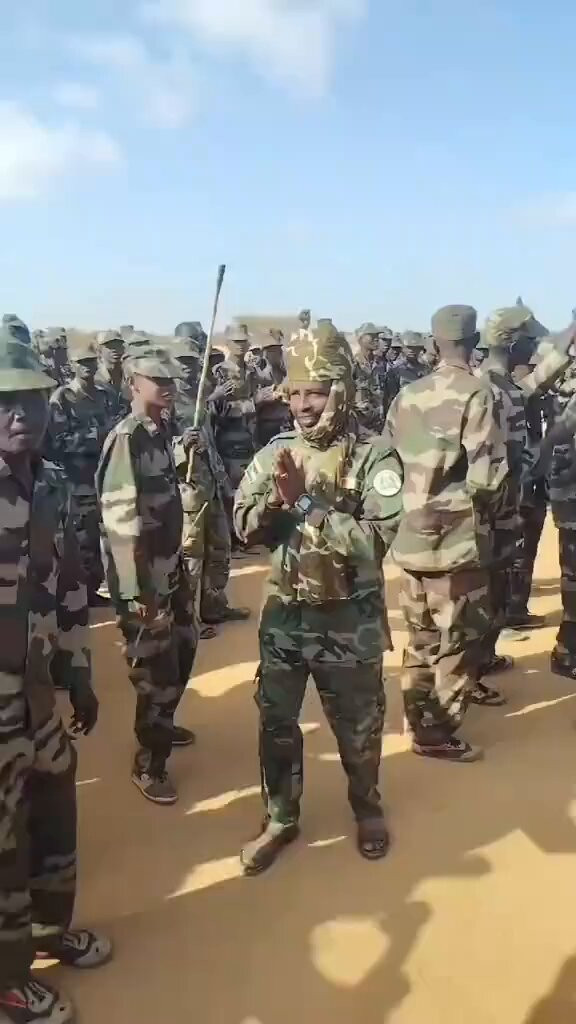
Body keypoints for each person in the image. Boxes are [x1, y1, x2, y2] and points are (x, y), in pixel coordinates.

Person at [234, 322, 403, 874]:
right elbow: (243, 527)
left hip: (349, 619)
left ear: (342, 390)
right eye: (295, 393)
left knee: (359, 726)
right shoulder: (275, 453)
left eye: (316, 392)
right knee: (276, 723)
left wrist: (306, 504)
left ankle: (367, 807)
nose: (303, 406)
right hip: (286, 617)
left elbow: (373, 542)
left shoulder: (375, 455)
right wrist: (274, 504)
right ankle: (280, 818)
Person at [0, 331, 111, 1024]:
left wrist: (79, 672)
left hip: (39, 693)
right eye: (4, 401)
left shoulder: (51, 484)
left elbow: (70, 586)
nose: (21, 414)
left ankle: (48, 931)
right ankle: (9, 982)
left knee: (53, 816)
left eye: (32, 400)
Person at [383, 305, 508, 762]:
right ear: (474, 344)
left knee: (420, 638)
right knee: (458, 640)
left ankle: (417, 717)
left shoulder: (407, 395)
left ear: (434, 343)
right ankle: (435, 732)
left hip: (409, 537)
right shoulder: (478, 393)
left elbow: (386, 464)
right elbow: (487, 478)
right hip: (454, 542)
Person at [96, 342, 198, 805]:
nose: (168, 386)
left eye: (170, 379)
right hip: (143, 580)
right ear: (133, 385)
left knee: (184, 649)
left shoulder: (160, 430)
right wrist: (138, 592)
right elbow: (121, 523)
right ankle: (149, 763)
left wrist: (183, 452)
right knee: (156, 671)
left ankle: (163, 721)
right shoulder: (127, 438)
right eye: (157, 380)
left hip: (169, 569)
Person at [476, 307, 575, 662]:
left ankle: (493, 639)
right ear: (512, 343)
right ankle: (478, 660)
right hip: (494, 497)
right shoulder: (490, 386)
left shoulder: (498, 382)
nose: (534, 348)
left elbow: (534, 385)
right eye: (529, 341)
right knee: (491, 576)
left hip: (507, 492)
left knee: (505, 566)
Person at [170, 337, 250, 631]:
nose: (188, 368)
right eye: (182, 362)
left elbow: (215, 432)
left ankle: (214, 606)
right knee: (191, 554)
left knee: (219, 547)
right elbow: (156, 445)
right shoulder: (168, 399)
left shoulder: (202, 392)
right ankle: (189, 620)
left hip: (212, 480)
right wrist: (181, 444)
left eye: (193, 362)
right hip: (187, 485)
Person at [45, 334, 114, 606]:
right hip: (77, 481)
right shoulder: (62, 398)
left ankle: (100, 588)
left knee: (109, 537)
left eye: (91, 361)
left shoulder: (104, 395)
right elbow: (58, 442)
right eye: (81, 362)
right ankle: (85, 593)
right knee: (83, 539)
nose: (87, 366)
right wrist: (98, 436)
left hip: (106, 477)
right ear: (72, 365)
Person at [212, 324, 257, 492]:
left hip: (250, 439)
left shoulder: (251, 371)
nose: (240, 345)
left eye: (243, 341)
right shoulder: (220, 372)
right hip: (228, 444)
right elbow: (215, 407)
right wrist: (252, 404)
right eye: (236, 341)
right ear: (228, 343)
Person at [253, 337, 292, 447]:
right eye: (271, 351)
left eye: (277, 350)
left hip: (286, 423)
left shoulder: (286, 373)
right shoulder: (259, 376)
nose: (275, 354)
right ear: (265, 354)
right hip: (268, 424)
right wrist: (260, 397)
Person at [353, 323, 387, 433]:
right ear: (361, 339)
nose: (376, 339)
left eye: (377, 336)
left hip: (378, 420)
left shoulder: (380, 363)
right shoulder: (353, 363)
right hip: (359, 422)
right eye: (372, 336)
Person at [384, 331, 429, 410]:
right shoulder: (396, 370)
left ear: (420, 348)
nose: (411, 350)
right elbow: (392, 397)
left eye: (415, 347)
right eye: (408, 347)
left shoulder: (426, 369)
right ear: (402, 348)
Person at [95, 329, 130, 423]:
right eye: (109, 346)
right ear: (99, 351)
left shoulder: (130, 377)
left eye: (118, 345)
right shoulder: (95, 379)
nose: (114, 349)